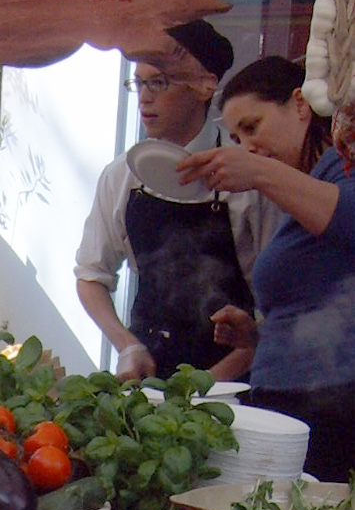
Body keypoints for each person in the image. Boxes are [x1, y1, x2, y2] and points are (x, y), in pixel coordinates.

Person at [75, 20, 282, 383]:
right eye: (139, 83)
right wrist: (127, 346)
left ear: (205, 86)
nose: (145, 97)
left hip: (232, 390)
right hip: (148, 382)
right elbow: (91, 276)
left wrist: (204, 389)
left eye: (159, 82)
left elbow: (276, 310)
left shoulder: (249, 180)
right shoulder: (121, 176)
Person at [177, 56, 353, 481]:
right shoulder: (304, 187)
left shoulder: (341, 168)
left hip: (331, 410)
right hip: (290, 404)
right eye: (237, 138)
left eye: (252, 128)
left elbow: (349, 218)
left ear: (299, 105)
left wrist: (257, 171)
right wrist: (257, 334)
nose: (247, 146)